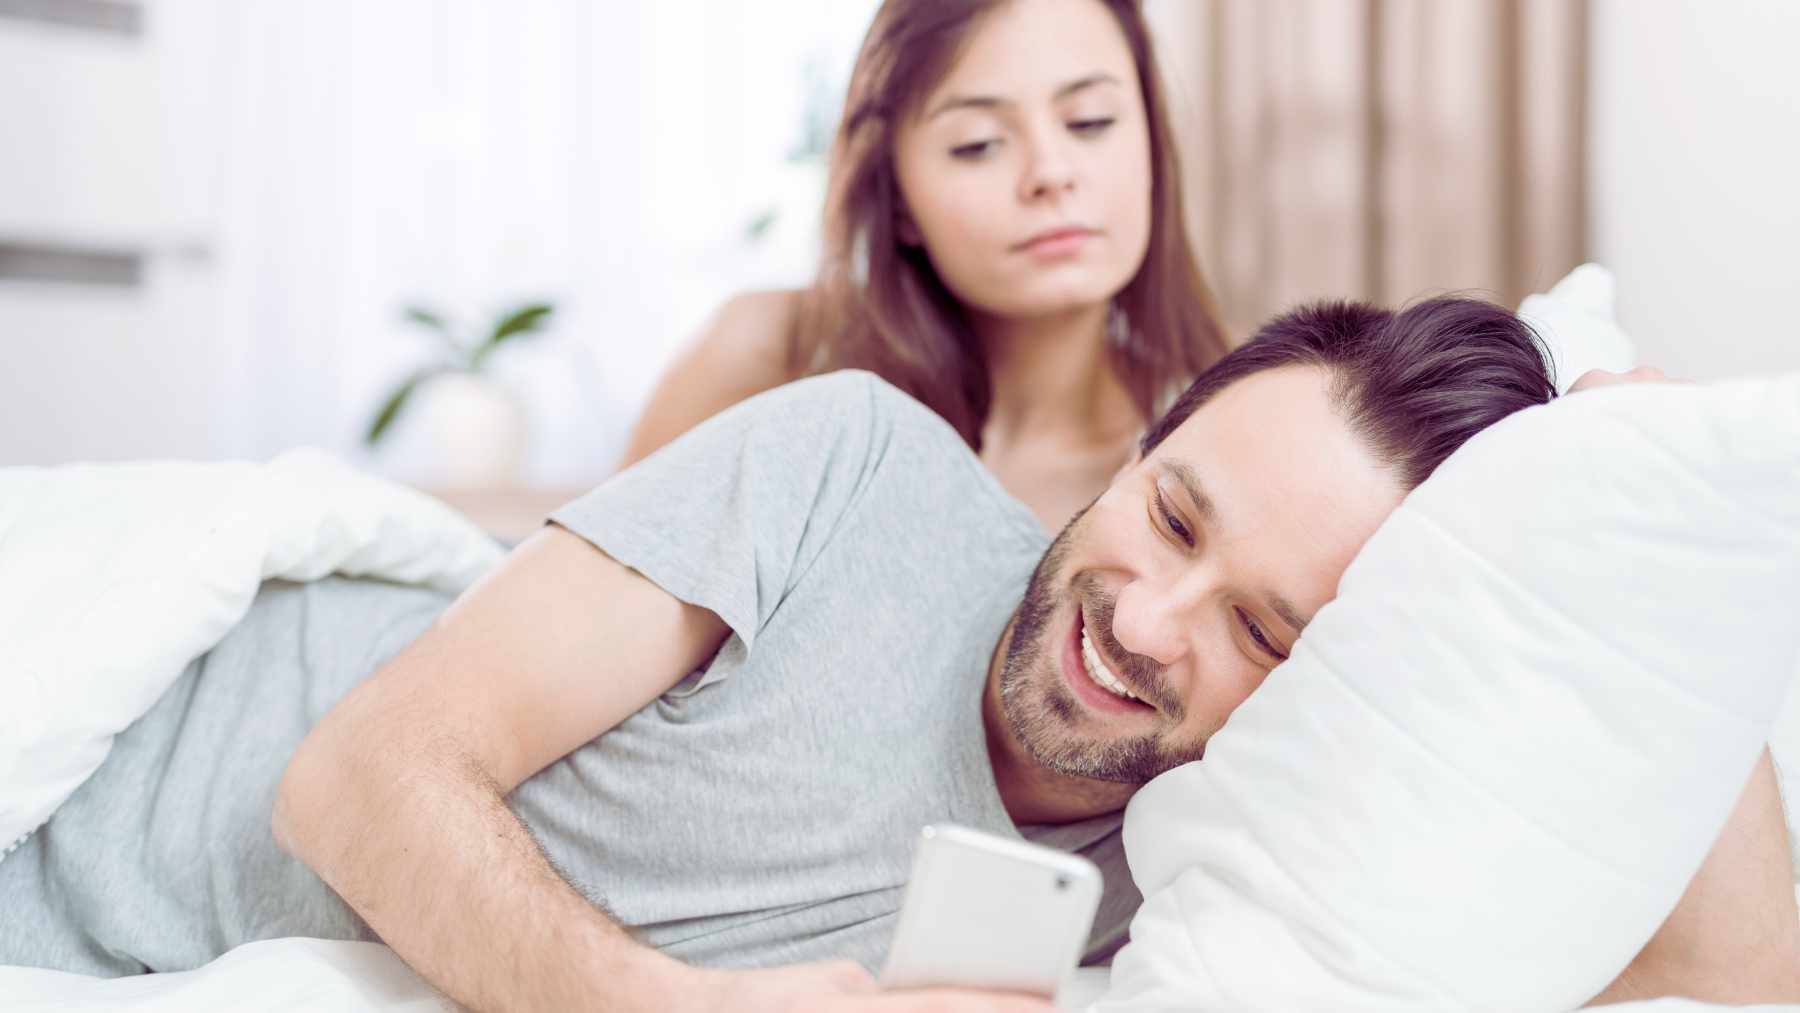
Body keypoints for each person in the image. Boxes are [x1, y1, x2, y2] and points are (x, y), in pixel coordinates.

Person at [3, 298, 1791, 1013]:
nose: (1146, 622)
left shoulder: (1212, 887)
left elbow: (1735, 983)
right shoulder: (858, 462)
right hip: (98, 772)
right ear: (1139, 448)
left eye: (1263, 629)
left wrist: (1640, 519)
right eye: (1173, 515)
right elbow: (360, 776)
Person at [621, 0, 1228, 534]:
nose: (1050, 172)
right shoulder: (770, 355)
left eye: (1091, 121)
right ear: (900, 201)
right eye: (978, 143)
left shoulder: (1198, 457)